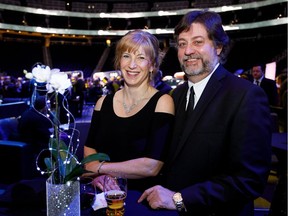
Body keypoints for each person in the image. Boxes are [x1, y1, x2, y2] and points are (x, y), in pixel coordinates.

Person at [138, 10, 272, 216]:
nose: (188, 50)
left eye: (198, 42)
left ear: (218, 46)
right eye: (182, 44)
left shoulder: (247, 96)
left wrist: (179, 200)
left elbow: (249, 180)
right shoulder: (175, 95)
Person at [83, 29, 175, 192]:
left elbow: (151, 166)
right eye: (126, 56)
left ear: (152, 65)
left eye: (141, 58)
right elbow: (90, 148)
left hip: (142, 198)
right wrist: (99, 175)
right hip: (103, 195)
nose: (132, 65)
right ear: (119, 61)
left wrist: (99, 168)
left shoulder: (163, 102)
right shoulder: (102, 103)